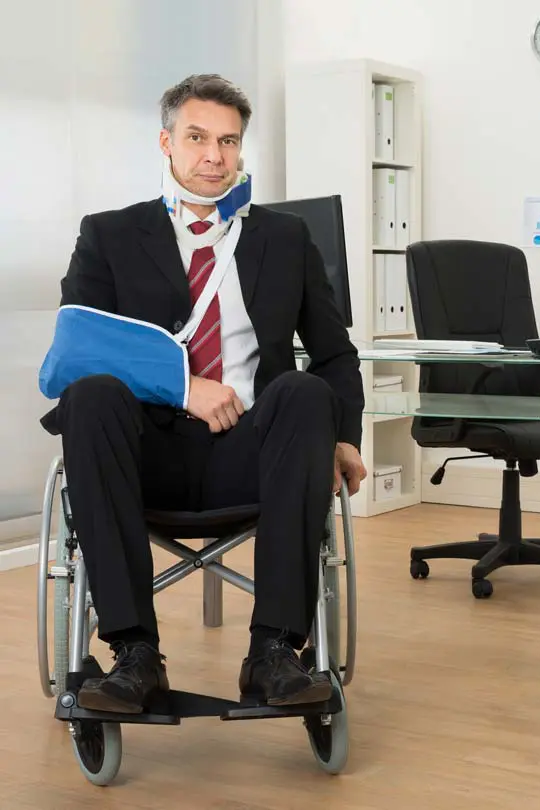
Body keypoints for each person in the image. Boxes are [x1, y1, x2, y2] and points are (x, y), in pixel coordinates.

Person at [40, 74, 366, 714]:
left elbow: (334, 354)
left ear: (241, 150)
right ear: (166, 143)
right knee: (91, 395)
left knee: (302, 391)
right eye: (197, 138)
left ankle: (273, 651)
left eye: (228, 141)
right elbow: (79, 348)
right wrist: (182, 387)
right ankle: (134, 654)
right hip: (143, 453)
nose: (214, 155)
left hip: (254, 452)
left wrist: (346, 437)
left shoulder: (284, 237)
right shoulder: (109, 234)